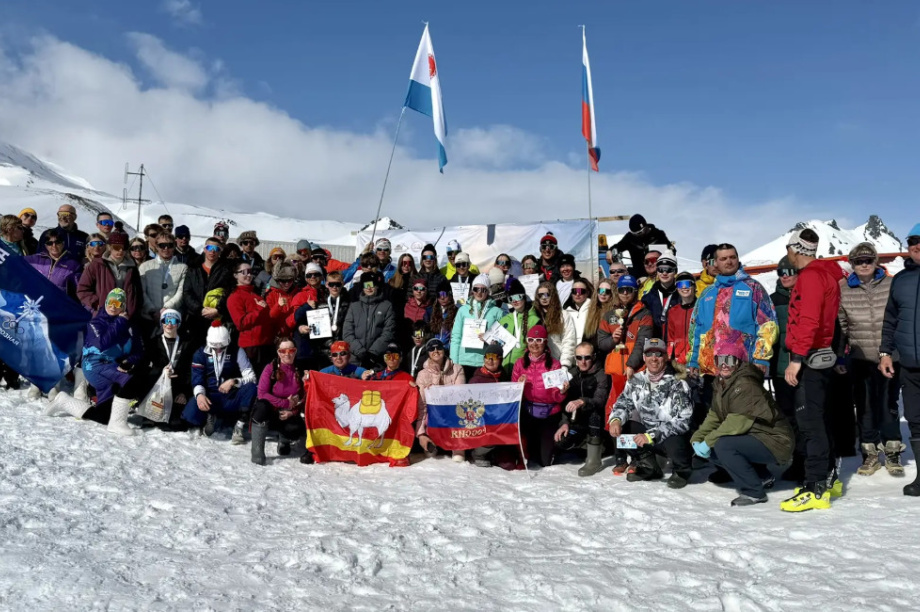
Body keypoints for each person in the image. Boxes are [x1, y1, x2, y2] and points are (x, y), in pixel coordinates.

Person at [780, 228, 844, 512]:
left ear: (796, 250)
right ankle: (828, 478)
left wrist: (796, 358)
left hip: (810, 358)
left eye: (788, 249)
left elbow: (809, 320)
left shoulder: (810, 277)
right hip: (821, 355)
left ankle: (815, 486)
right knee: (820, 419)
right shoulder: (825, 273)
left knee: (809, 423)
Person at [691, 346, 795, 506]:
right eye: (720, 360)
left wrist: (708, 441)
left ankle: (753, 492)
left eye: (730, 360)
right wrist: (698, 438)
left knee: (723, 445)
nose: (724, 364)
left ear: (738, 362)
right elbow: (714, 416)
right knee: (713, 445)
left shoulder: (746, 383)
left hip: (774, 440)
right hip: (754, 436)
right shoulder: (721, 382)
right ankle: (761, 476)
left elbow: (737, 423)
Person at [838, 242, 903, 477]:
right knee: (864, 406)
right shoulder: (843, 288)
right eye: (858, 261)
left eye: (868, 260)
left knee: (888, 403)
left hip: (891, 355)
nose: (864, 265)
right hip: (860, 356)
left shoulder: (892, 284)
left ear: (876, 262)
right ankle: (869, 453)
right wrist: (841, 356)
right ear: (852, 264)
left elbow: (900, 316)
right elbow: (842, 324)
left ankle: (892, 449)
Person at [47, 289, 145, 436]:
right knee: (130, 379)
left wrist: (128, 361)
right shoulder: (96, 322)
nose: (113, 306)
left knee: (103, 416)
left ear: (123, 307)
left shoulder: (130, 326)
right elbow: (101, 343)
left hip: (113, 365)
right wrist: (120, 322)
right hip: (94, 365)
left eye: (118, 303)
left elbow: (138, 351)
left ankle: (64, 401)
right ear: (105, 303)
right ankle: (117, 424)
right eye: (110, 302)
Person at [608, 338, 694, 488]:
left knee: (676, 440)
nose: (654, 358)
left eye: (658, 354)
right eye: (649, 354)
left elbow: (683, 421)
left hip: (668, 437)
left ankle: (681, 471)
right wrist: (616, 419)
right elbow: (623, 402)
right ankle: (648, 464)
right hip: (648, 436)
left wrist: (651, 436)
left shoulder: (678, 384)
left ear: (666, 357)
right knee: (621, 429)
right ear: (643, 357)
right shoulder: (635, 379)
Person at [687, 243, 778, 377]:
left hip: (744, 367)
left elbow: (767, 324)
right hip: (710, 370)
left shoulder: (753, 288)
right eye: (723, 259)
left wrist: (761, 357)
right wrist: (693, 360)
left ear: (738, 259)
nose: (729, 261)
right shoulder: (707, 294)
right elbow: (696, 329)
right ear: (716, 263)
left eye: (732, 257)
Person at [880, 223, 920, 496]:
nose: (917, 245)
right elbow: (890, 320)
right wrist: (885, 353)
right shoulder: (901, 280)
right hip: (910, 364)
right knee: (916, 421)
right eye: (913, 241)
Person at [184, 323, 258, 443]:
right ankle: (211, 417)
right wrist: (200, 395)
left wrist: (234, 381)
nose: (218, 350)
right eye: (214, 347)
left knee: (252, 387)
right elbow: (197, 378)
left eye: (222, 347)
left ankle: (239, 424)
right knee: (190, 415)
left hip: (230, 396)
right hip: (211, 396)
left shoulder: (237, 351)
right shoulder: (200, 353)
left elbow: (251, 377)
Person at [513, 325, 568, 467]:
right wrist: (519, 386)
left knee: (545, 461)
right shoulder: (520, 363)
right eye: (531, 340)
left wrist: (561, 392)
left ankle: (553, 449)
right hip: (528, 412)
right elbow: (513, 394)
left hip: (549, 414)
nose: (534, 344)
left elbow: (558, 398)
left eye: (539, 340)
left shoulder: (554, 364)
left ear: (545, 342)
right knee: (530, 457)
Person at [769, 256, 804, 481]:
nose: (786, 275)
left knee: (806, 417)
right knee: (788, 416)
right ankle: (795, 461)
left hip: (805, 367)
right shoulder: (772, 300)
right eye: (781, 272)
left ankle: (807, 461)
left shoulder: (808, 295)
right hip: (781, 369)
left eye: (790, 270)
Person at [554, 342, 610, 477]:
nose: (583, 362)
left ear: (594, 357)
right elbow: (564, 404)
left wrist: (582, 401)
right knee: (561, 441)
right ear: (575, 358)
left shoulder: (601, 375)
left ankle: (595, 459)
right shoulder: (571, 374)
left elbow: (599, 401)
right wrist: (564, 423)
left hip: (599, 423)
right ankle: (589, 446)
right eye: (579, 358)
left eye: (587, 357)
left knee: (594, 414)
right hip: (578, 421)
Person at [251, 337, 309, 466]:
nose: (287, 354)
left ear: (295, 351)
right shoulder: (270, 368)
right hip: (270, 412)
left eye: (291, 350)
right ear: (278, 352)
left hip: (288, 413)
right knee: (261, 407)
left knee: (296, 429)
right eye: (283, 351)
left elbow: (304, 397)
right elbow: (262, 394)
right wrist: (285, 403)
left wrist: (293, 411)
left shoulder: (299, 369)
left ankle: (284, 438)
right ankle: (257, 451)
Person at [415, 337, 466, 460]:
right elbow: (422, 405)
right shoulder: (422, 374)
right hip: (434, 416)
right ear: (428, 352)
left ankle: (457, 447)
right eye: (432, 348)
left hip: (452, 413)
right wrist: (420, 433)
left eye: (439, 347)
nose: (436, 350)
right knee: (428, 416)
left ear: (444, 350)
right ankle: (431, 441)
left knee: (460, 413)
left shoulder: (457, 369)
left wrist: (436, 392)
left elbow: (460, 397)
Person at [142, 309, 194, 430]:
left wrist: (185, 392)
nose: (169, 324)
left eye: (173, 321)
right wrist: (162, 370)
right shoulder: (153, 342)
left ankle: (173, 413)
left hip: (178, 386)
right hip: (158, 387)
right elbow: (145, 366)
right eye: (166, 320)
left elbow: (191, 369)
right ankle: (150, 411)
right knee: (150, 373)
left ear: (178, 323)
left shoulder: (187, 343)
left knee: (176, 425)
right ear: (162, 323)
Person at [227, 260, 276, 376]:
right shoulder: (235, 297)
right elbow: (241, 323)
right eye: (243, 272)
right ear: (235, 275)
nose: (248, 275)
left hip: (266, 344)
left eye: (250, 271)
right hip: (251, 347)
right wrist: (258, 310)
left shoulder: (255, 295)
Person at [77, 230, 141, 320]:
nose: (121, 250)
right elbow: (82, 289)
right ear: (109, 247)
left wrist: (134, 309)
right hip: (103, 315)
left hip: (126, 316)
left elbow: (138, 293)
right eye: (116, 247)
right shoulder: (97, 264)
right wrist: (97, 304)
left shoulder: (132, 267)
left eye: (124, 247)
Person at [450, 273, 504, 378]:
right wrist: (454, 362)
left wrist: (489, 337)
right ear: (472, 290)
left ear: (488, 291)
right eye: (476, 289)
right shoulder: (463, 310)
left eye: (483, 290)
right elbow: (456, 337)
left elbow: (503, 339)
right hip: (463, 360)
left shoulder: (497, 312)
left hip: (485, 362)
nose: (479, 292)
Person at [294, 270, 349, 371]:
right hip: (322, 351)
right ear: (327, 284)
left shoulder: (349, 302)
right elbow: (301, 319)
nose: (334, 287)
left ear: (343, 283)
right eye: (331, 284)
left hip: (342, 350)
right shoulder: (320, 300)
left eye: (338, 284)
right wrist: (301, 327)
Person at [468, 341, 511, 468]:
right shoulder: (476, 380)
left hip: (500, 422)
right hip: (482, 422)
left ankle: (495, 452)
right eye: (487, 357)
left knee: (508, 464)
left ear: (501, 360)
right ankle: (478, 453)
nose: (490, 361)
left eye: (494, 357)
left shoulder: (504, 377)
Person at [139, 231, 188, 339]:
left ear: (174, 246)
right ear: (156, 246)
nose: (166, 248)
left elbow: (181, 291)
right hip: (149, 317)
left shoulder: (183, 267)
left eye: (169, 245)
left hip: (172, 319)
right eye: (162, 245)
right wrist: (152, 310)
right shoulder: (145, 266)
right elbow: (141, 291)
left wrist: (166, 309)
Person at [343, 271, 397, 369]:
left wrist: (372, 354)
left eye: (372, 285)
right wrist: (360, 352)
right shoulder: (354, 307)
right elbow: (347, 333)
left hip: (377, 359)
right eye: (366, 285)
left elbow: (388, 332)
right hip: (355, 359)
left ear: (377, 286)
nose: (369, 288)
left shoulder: (386, 306)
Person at [182, 238, 230, 345]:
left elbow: (229, 293)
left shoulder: (226, 271)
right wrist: (200, 309)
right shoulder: (193, 269)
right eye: (209, 248)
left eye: (216, 249)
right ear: (204, 249)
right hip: (195, 319)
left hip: (217, 319)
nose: (212, 251)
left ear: (220, 252)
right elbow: (187, 292)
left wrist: (218, 310)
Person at [609, 214, 675, 279]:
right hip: (638, 275)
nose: (638, 235)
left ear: (645, 227)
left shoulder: (658, 235)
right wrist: (610, 251)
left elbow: (672, 249)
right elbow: (618, 247)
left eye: (640, 232)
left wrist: (669, 252)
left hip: (657, 273)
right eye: (635, 234)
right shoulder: (630, 238)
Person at [25, 228, 82, 300]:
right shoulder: (35, 259)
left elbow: (80, 290)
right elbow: (15, 264)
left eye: (57, 242)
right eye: (50, 243)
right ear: (46, 245)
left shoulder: (73, 265)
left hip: (57, 304)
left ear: (63, 243)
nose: (54, 246)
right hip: (35, 302)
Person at [499, 279, 540, 375]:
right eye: (511, 298)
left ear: (524, 298)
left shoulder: (534, 320)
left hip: (523, 370)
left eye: (518, 296)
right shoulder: (504, 320)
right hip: (503, 369)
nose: (515, 301)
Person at [533, 281, 576, 368]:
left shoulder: (563, 315)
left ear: (553, 296)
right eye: (540, 295)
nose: (544, 298)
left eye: (547, 295)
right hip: (536, 364)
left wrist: (565, 364)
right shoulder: (533, 315)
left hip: (556, 361)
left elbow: (568, 340)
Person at [666, 271, 697, 374]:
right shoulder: (672, 311)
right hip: (678, 364)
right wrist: (670, 358)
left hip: (697, 363)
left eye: (687, 284)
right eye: (680, 284)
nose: (684, 287)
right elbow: (671, 337)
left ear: (693, 286)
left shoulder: (702, 308)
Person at [641, 254, 678, 338]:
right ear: (657, 272)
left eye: (668, 270)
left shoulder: (683, 297)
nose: (664, 273)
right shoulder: (647, 299)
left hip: (676, 346)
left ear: (675, 271)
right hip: (654, 345)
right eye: (661, 270)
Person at [266, 262, 300, 339]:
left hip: (294, 334)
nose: (287, 284)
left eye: (290, 280)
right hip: (277, 336)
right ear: (277, 280)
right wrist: (278, 306)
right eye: (283, 281)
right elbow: (269, 317)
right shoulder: (270, 294)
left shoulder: (297, 293)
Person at [583, 277, 615, 347]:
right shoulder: (589, 308)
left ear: (612, 294)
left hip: (607, 350)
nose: (603, 294)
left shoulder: (615, 311)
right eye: (601, 290)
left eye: (607, 291)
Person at [428, 278, 458, 352]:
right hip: (434, 349)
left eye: (444, 294)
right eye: (439, 295)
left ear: (450, 295)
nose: (442, 297)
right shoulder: (431, 311)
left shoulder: (456, 311)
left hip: (449, 349)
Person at [564, 278, 593, 345]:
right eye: (574, 291)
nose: (577, 294)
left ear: (587, 293)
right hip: (570, 350)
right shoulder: (566, 312)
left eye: (581, 291)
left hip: (587, 350)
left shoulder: (593, 310)